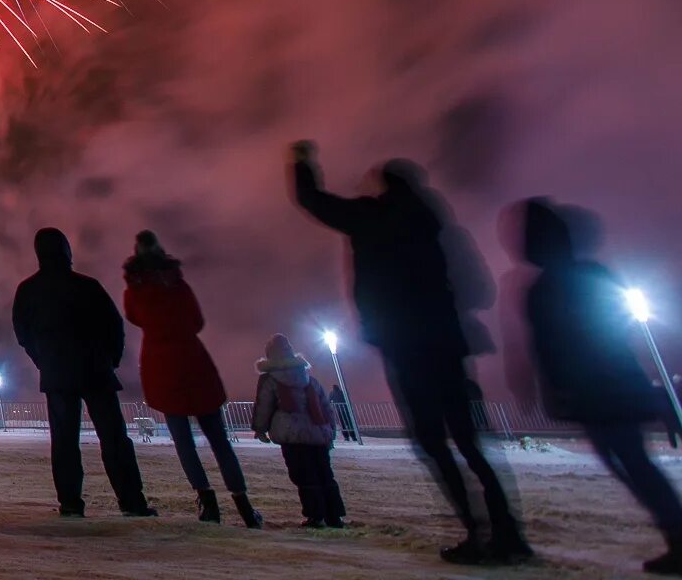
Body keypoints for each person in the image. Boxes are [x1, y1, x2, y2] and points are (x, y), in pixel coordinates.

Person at [290, 139, 528, 565]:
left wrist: (303, 163)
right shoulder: (440, 228)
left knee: (433, 442)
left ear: (384, 187)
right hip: (447, 341)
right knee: (471, 442)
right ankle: (508, 532)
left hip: (404, 343)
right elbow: (481, 290)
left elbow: (314, 201)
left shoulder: (373, 218)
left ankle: (478, 533)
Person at [514, 198, 682, 574]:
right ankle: (675, 531)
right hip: (614, 383)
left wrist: (550, 386)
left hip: (597, 389)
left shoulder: (544, 289)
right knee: (632, 461)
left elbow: (547, 347)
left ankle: (677, 533)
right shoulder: (590, 273)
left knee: (631, 462)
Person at [11, 226, 154, 518]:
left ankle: (71, 503)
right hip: (95, 370)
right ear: (66, 251)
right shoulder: (87, 286)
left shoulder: (29, 290)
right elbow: (115, 326)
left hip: (57, 374)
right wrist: (110, 359)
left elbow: (22, 333)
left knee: (64, 441)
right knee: (114, 438)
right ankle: (131, 501)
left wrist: (43, 360)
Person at [122, 231, 261, 527]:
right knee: (219, 441)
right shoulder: (178, 285)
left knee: (183, 442)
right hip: (193, 361)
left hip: (161, 367)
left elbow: (134, 317)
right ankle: (244, 504)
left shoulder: (134, 290)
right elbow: (197, 321)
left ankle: (207, 502)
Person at [253, 333, 347, 528]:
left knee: (303, 475)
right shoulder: (309, 379)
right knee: (324, 473)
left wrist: (260, 429)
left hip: (292, 434)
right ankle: (334, 515)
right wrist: (330, 430)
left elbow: (264, 406)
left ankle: (315, 515)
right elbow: (325, 407)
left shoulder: (270, 380)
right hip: (317, 434)